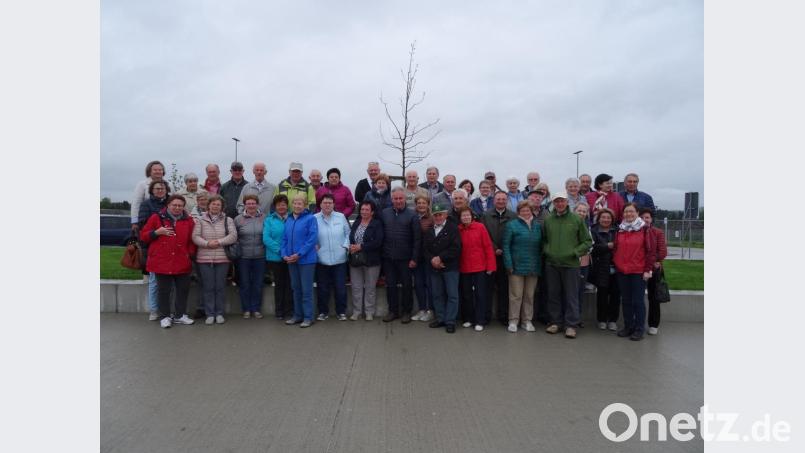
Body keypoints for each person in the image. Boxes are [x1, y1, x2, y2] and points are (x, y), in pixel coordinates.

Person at [139, 194, 197, 328]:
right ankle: (164, 316)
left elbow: (191, 240)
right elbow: (143, 236)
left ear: (184, 207)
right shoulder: (156, 218)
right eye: (174, 205)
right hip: (162, 261)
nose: (177, 208)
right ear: (168, 205)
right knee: (164, 291)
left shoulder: (189, 220)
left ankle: (180, 315)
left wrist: (190, 254)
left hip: (182, 260)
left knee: (183, 290)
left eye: (180, 205)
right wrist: (156, 232)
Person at [542, 192, 592, 339]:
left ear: (567, 202)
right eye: (557, 201)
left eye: (562, 201)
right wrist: (547, 250)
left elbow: (587, 241)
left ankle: (571, 325)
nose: (559, 204)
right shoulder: (548, 220)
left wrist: (575, 252)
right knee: (553, 295)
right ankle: (555, 322)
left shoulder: (576, 219)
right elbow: (544, 240)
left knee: (571, 296)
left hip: (571, 264)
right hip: (552, 264)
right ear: (553, 203)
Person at [613, 203, 657, 341]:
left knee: (638, 301)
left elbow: (651, 252)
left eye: (631, 211)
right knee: (626, 301)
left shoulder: (645, 229)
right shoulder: (620, 229)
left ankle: (639, 329)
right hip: (622, 271)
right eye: (626, 212)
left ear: (637, 213)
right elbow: (616, 248)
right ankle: (628, 326)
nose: (628, 214)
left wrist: (647, 270)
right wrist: (617, 262)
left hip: (638, 271)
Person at [192, 194, 238, 325]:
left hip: (222, 258)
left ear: (222, 207)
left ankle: (219, 313)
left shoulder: (228, 220)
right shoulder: (200, 220)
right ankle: (210, 314)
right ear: (209, 205)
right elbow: (195, 237)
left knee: (220, 287)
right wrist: (207, 244)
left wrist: (218, 242)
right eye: (213, 204)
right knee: (208, 287)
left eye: (218, 204)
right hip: (204, 259)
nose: (215, 206)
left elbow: (233, 236)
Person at [380, 187, 421, 323]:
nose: (398, 201)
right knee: (390, 286)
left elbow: (417, 239)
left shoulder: (412, 215)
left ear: (405, 199)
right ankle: (393, 311)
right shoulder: (385, 213)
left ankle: (406, 312)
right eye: (395, 198)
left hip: (406, 258)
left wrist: (414, 258)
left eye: (400, 198)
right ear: (392, 200)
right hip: (388, 257)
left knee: (406, 286)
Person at [502, 200, 542, 333]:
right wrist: (508, 264)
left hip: (533, 266)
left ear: (532, 211)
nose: (525, 212)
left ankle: (527, 321)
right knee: (516, 295)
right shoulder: (511, 225)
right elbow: (506, 246)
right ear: (519, 212)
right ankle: (513, 321)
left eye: (528, 210)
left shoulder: (537, 226)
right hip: (516, 266)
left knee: (529, 295)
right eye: (523, 210)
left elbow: (541, 245)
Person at [423, 202, 462, 333]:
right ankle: (441, 318)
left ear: (445, 215)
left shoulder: (453, 228)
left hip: (450, 267)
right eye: (435, 215)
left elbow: (456, 248)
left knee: (452, 295)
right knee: (437, 294)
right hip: (434, 267)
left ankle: (450, 321)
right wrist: (432, 259)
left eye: (440, 214)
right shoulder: (429, 230)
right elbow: (425, 249)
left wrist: (440, 258)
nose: (438, 217)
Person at [282, 194, 319, 328]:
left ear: (305, 205)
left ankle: (308, 317)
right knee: (295, 289)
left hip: (306, 261)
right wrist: (284, 254)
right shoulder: (289, 219)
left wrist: (299, 254)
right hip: (291, 260)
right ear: (292, 204)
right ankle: (297, 315)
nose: (297, 206)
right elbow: (284, 239)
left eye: (300, 204)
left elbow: (312, 239)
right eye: (295, 203)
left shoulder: (311, 219)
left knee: (306, 290)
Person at [457, 207, 496, 331]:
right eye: (463, 215)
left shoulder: (480, 227)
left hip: (480, 267)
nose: (466, 217)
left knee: (480, 295)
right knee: (467, 295)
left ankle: (480, 320)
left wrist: (491, 266)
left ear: (472, 216)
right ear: (460, 218)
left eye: (467, 215)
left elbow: (488, 247)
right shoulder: (458, 230)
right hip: (464, 267)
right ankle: (469, 319)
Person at [481, 191, 516, 325]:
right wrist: (495, 248)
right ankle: (486, 316)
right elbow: (484, 234)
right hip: (490, 257)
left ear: (507, 201)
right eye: (498, 199)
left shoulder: (513, 216)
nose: (501, 201)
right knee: (487, 288)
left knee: (504, 288)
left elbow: (514, 234)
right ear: (494, 201)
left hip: (506, 257)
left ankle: (504, 315)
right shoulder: (485, 215)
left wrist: (504, 249)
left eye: (503, 199)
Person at [314, 194, 351, 321]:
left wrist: (345, 247)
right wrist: (315, 246)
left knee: (340, 288)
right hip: (321, 260)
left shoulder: (340, 217)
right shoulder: (314, 218)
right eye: (325, 202)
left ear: (334, 204)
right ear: (320, 204)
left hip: (339, 259)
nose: (327, 205)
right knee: (322, 288)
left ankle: (341, 312)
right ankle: (323, 312)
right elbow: (311, 235)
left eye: (330, 202)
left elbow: (348, 233)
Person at [138, 180, 170, 321]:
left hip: (171, 245)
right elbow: (143, 225)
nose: (160, 190)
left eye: (162, 188)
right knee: (154, 281)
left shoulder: (171, 202)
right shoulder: (146, 204)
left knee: (169, 283)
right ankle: (154, 310)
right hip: (154, 243)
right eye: (157, 188)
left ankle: (167, 310)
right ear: (152, 190)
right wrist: (157, 230)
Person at [348, 201, 384, 321]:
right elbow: (351, 237)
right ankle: (356, 311)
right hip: (356, 259)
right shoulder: (357, 222)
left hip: (371, 260)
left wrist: (361, 247)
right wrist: (352, 246)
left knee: (370, 287)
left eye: (367, 210)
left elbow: (378, 242)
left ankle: (369, 312)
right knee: (356, 287)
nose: (364, 212)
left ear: (372, 212)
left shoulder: (377, 224)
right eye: (362, 209)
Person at [234, 194, 266, 319]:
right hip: (243, 257)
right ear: (244, 205)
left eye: (253, 203)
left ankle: (256, 309)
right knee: (245, 284)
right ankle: (246, 309)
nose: (251, 205)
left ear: (257, 204)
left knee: (258, 284)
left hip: (260, 256)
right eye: (248, 203)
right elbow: (234, 237)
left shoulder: (264, 217)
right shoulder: (238, 219)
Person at [263, 194, 293, 319]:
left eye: (284, 204)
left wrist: (289, 253)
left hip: (291, 257)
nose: (281, 207)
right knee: (279, 285)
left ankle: (289, 311)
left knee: (290, 285)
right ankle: (279, 311)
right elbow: (266, 238)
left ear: (287, 206)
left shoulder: (292, 218)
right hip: (276, 258)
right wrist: (281, 251)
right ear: (275, 206)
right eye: (279, 205)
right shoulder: (269, 220)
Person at [590, 209, 620, 331]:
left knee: (615, 295)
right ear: (599, 219)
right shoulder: (593, 231)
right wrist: (607, 246)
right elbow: (592, 248)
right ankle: (601, 320)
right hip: (600, 267)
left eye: (608, 217)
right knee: (602, 295)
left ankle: (613, 320)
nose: (606, 220)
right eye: (603, 217)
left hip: (616, 267)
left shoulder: (618, 230)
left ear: (612, 219)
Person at [640, 208, 668, 335]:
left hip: (654, 269)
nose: (644, 220)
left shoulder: (658, 232)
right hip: (638, 268)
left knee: (653, 298)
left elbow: (662, 252)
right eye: (642, 217)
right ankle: (638, 322)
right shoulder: (635, 232)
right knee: (638, 297)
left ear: (651, 219)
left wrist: (651, 262)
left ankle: (653, 324)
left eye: (647, 217)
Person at [130, 160, 172, 234]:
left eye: (160, 170)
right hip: (147, 220)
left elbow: (173, 201)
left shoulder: (170, 185)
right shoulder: (142, 184)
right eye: (155, 170)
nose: (158, 172)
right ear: (149, 171)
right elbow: (136, 203)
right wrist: (135, 222)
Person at [411, 194, 434, 322]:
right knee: (418, 284)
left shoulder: (432, 218)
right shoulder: (412, 217)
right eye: (419, 203)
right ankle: (422, 309)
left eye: (423, 203)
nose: (421, 205)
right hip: (416, 256)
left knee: (429, 284)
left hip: (428, 256)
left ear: (428, 204)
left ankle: (430, 310)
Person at [574, 202, 593, 324]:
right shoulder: (569, 224)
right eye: (579, 210)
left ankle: (578, 317)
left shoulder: (588, 227)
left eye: (584, 211)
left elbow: (590, 244)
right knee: (570, 291)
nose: (581, 213)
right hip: (570, 262)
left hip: (584, 263)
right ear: (574, 211)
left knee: (580, 291)